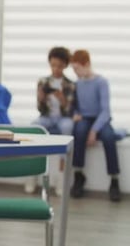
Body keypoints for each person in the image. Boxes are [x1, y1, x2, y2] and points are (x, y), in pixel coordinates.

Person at [69, 49, 121, 202]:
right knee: (78, 131)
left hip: (100, 119)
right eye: (73, 69)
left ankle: (114, 180)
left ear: (87, 64)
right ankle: (78, 176)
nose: (75, 72)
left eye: (77, 68)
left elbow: (105, 111)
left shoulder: (101, 82)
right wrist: (75, 114)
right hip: (84, 118)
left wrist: (94, 130)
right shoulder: (77, 84)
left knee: (108, 136)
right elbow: (74, 107)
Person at [32, 46, 76, 135]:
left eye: (60, 66)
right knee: (35, 125)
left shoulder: (70, 85)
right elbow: (40, 110)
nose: (55, 69)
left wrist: (62, 100)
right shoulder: (43, 82)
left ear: (65, 65)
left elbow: (69, 112)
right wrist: (42, 99)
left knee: (67, 126)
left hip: (63, 118)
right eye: (53, 65)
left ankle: (66, 149)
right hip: (47, 117)